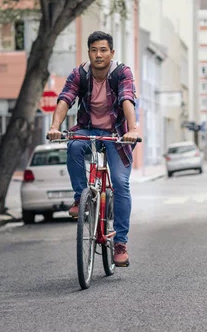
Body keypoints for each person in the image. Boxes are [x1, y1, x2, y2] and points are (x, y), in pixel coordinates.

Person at [47, 31, 139, 267]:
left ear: (112, 52)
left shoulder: (122, 73)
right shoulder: (80, 74)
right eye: (94, 50)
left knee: (120, 183)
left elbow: (127, 99)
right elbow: (65, 98)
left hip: (117, 135)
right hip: (87, 129)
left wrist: (133, 129)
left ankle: (120, 244)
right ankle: (80, 199)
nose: (98, 55)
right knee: (74, 145)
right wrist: (55, 126)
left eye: (103, 50)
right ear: (89, 52)